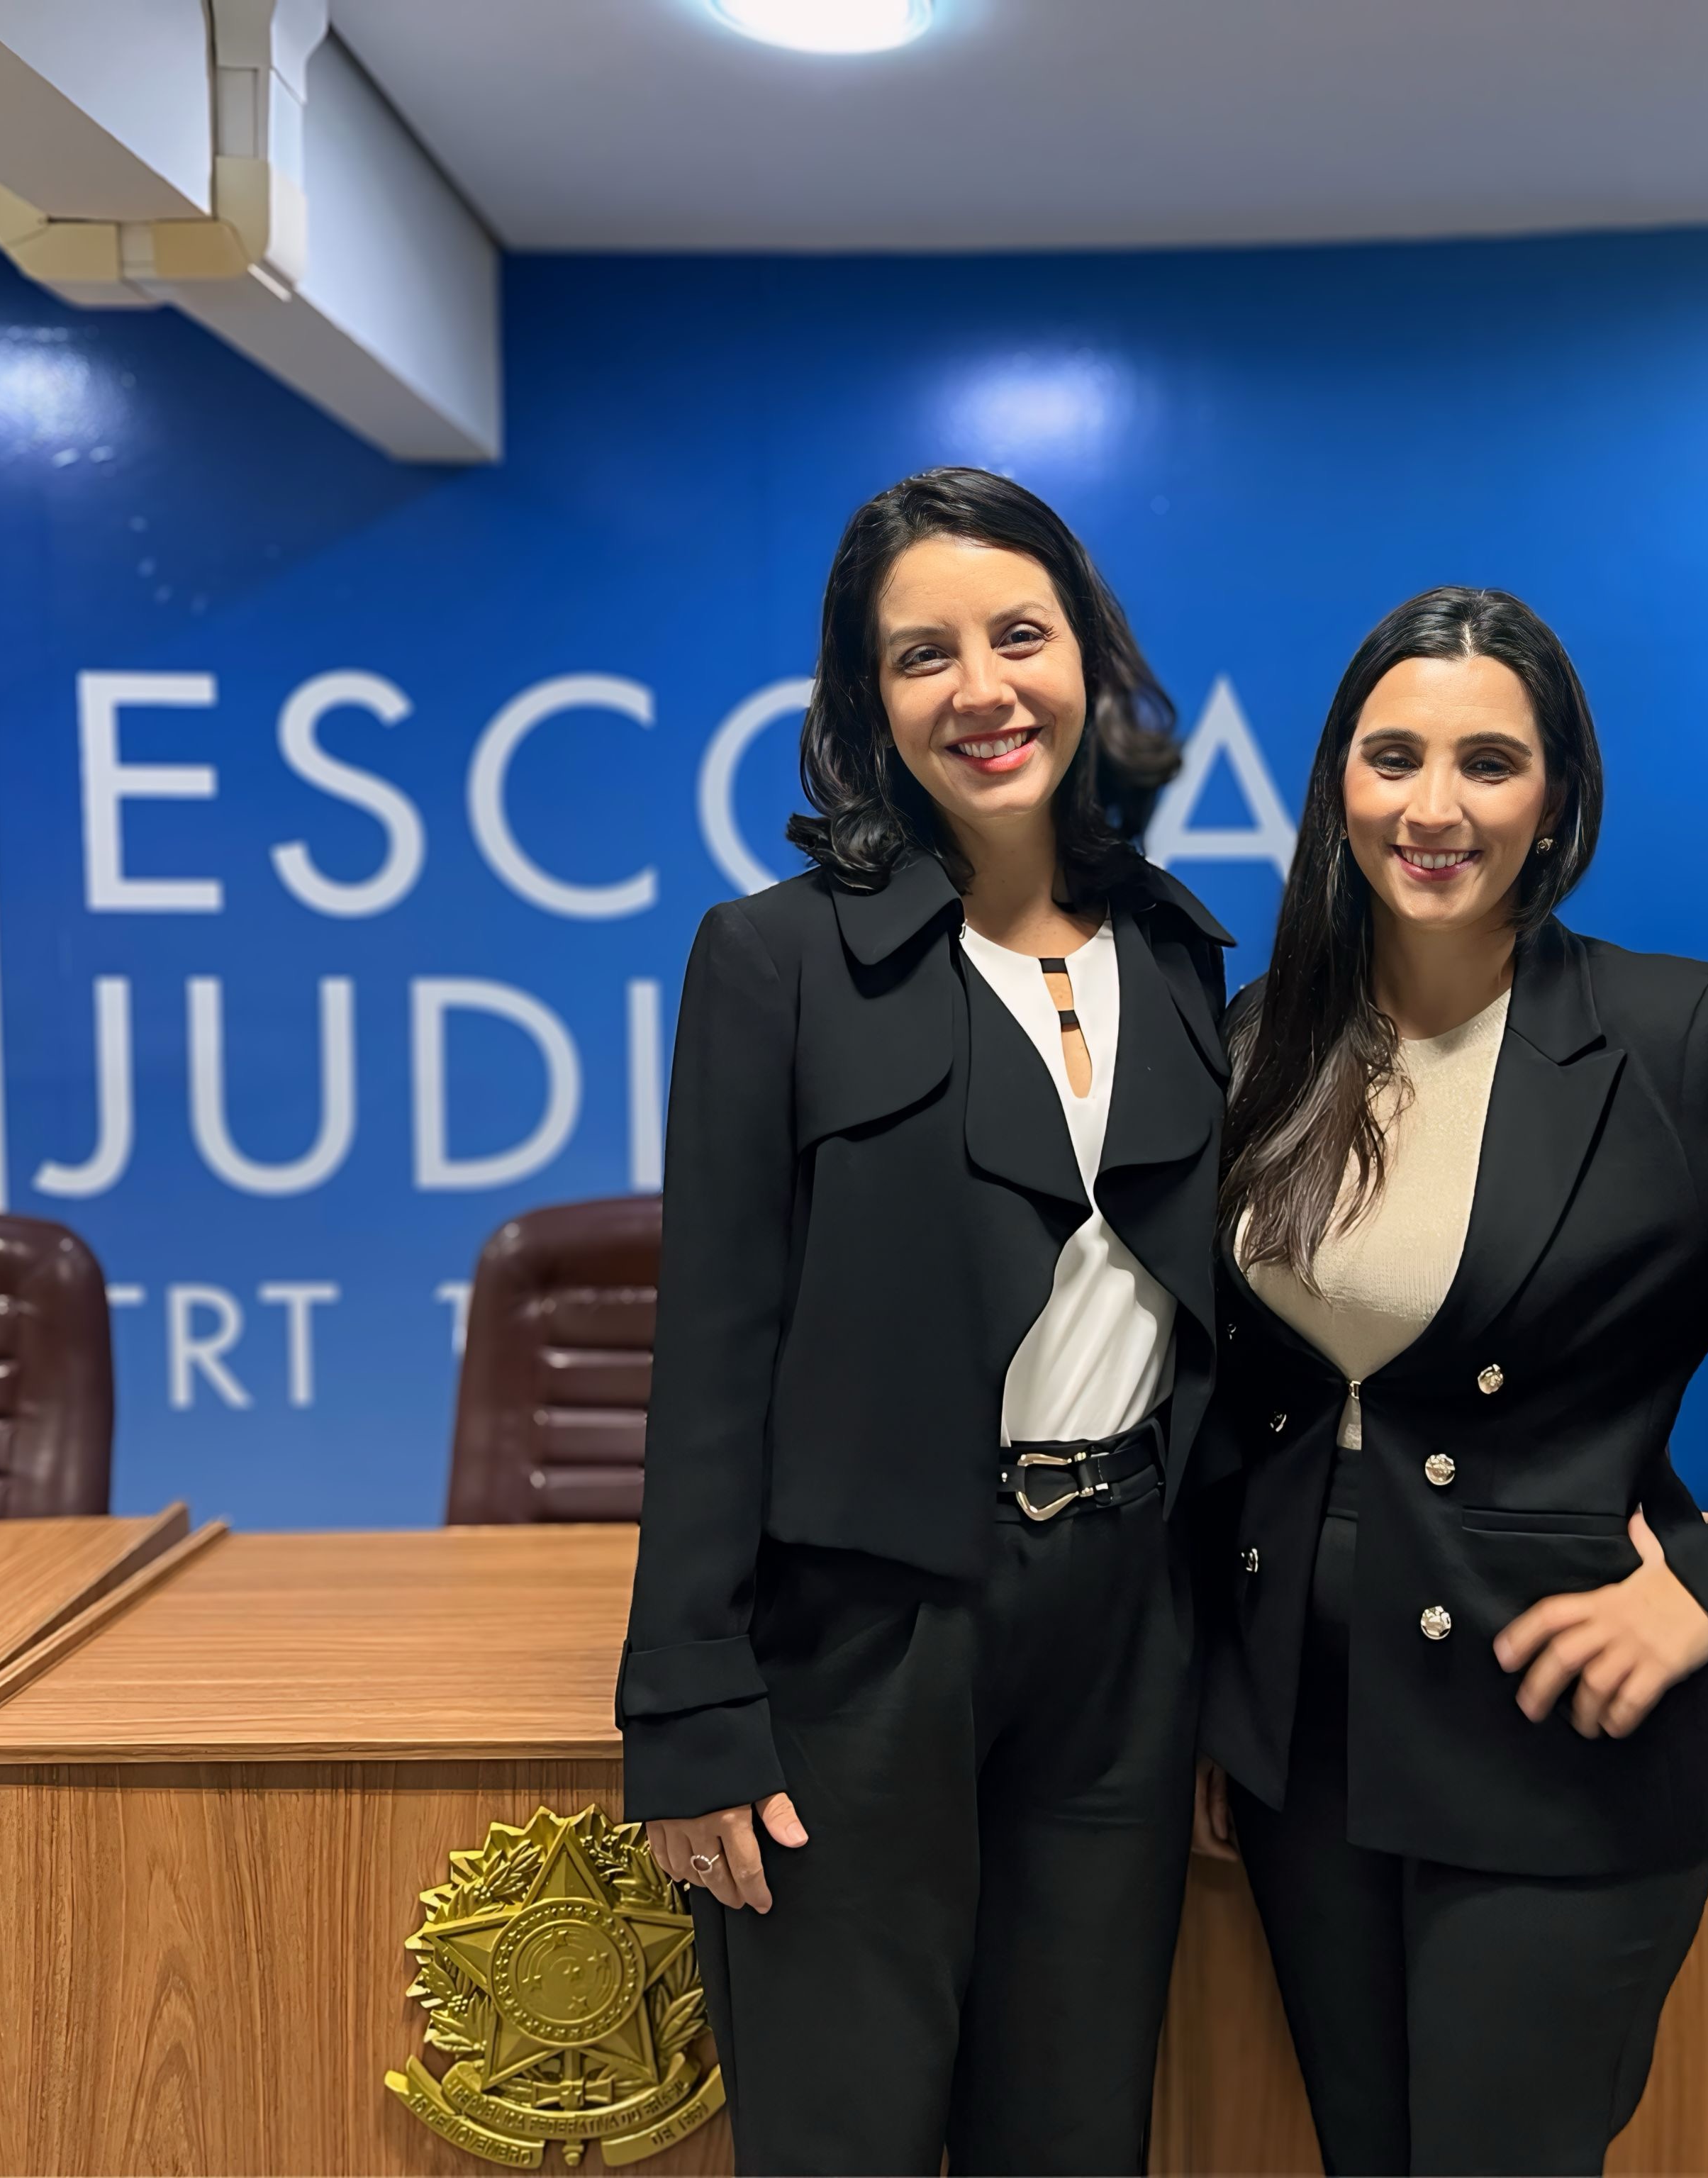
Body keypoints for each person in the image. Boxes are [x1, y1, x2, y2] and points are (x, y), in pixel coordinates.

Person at [1193, 586, 1708, 2176]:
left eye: (1487, 763)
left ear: (1555, 801)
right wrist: (1218, 1701)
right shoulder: (1264, 1039)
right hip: (1305, 1753)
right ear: (1336, 787)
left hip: (1551, 1741)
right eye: (1391, 758)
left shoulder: (1669, 1038)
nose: (1432, 807)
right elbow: (1245, 1403)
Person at [620, 468, 1233, 2174]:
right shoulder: (771, 961)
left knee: (1074, 2132)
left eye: (1018, 635)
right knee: (845, 2138)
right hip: (864, 1643)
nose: (981, 689)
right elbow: (714, 1350)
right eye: (919, 657)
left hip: (1121, 1631)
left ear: (1087, 661)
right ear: (863, 705)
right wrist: (685, 1705)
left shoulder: (1180, 958)